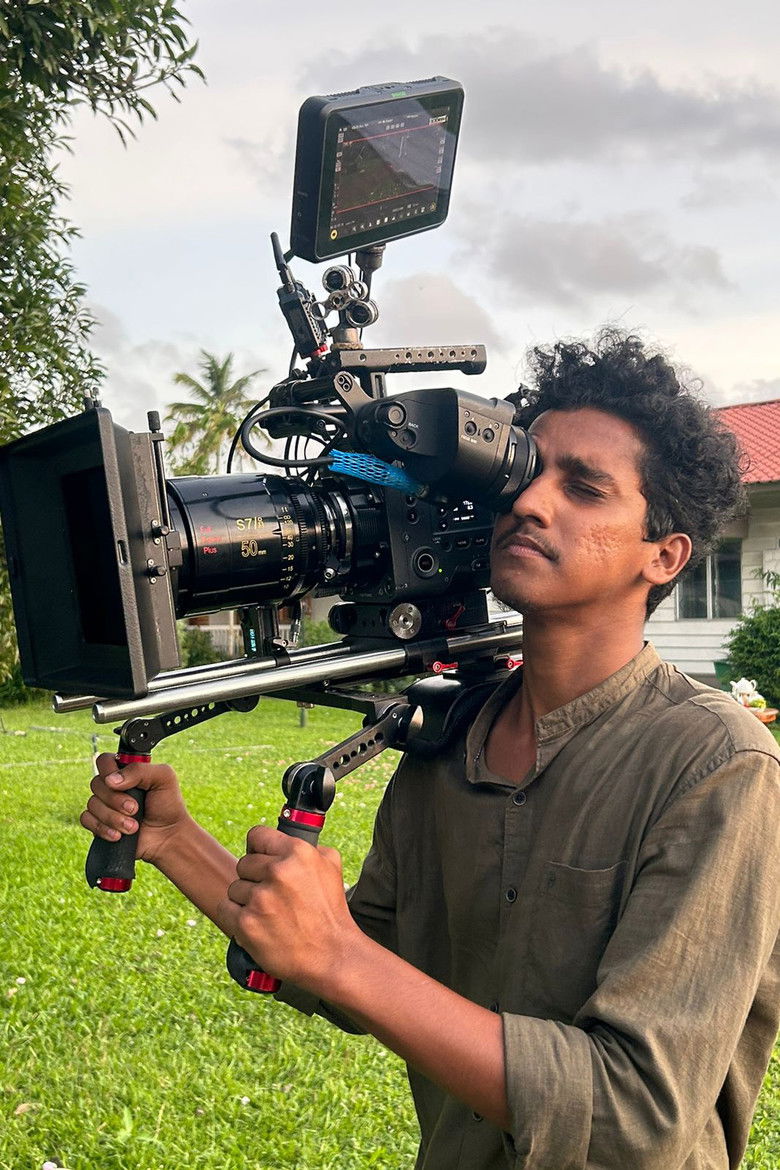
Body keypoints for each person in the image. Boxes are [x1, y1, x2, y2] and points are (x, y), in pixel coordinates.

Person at [81, 329, 780, 1170]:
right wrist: (175, 841)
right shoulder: (449, 736)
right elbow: (354, 966)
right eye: (526, 476)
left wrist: (339, 957)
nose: (531, 504)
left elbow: (635, 1118)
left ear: (662, 556)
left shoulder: (717, 766)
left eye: (585, 489)